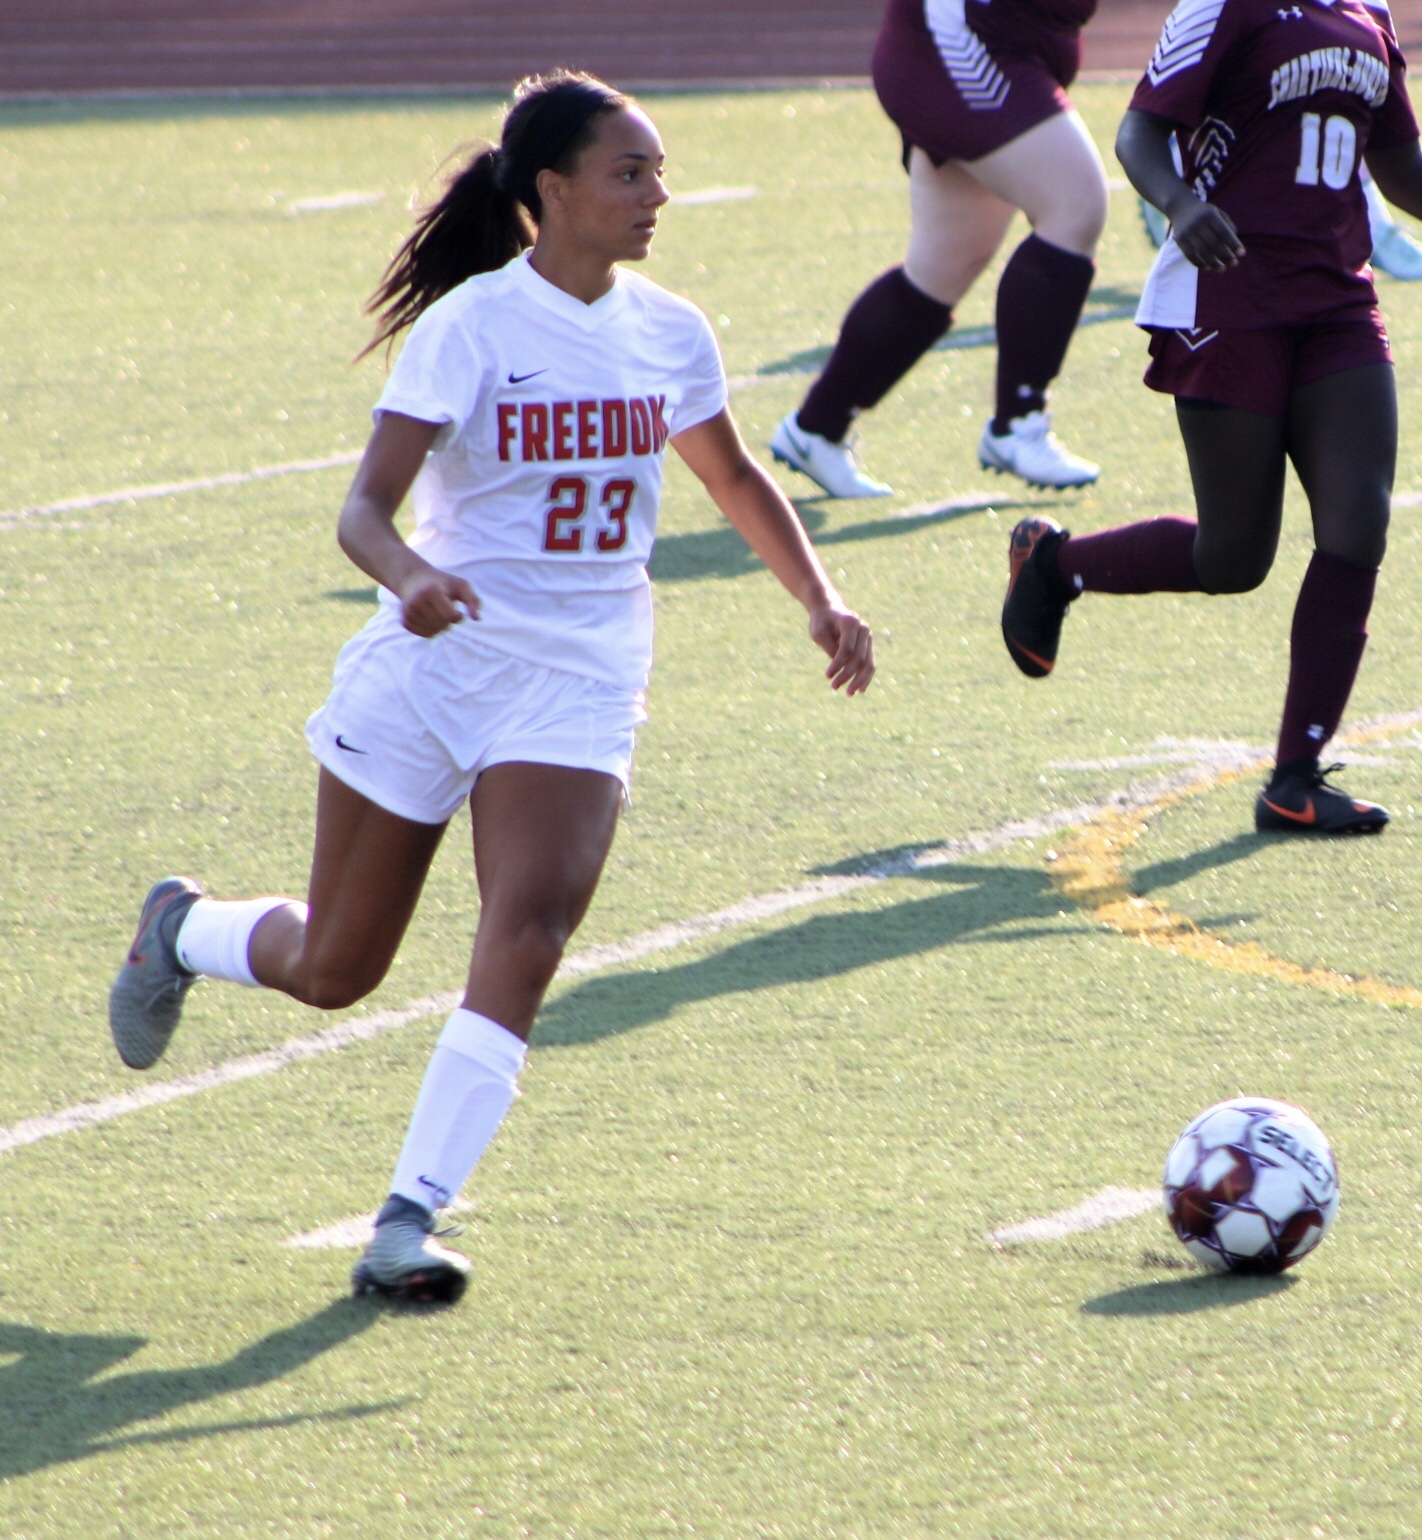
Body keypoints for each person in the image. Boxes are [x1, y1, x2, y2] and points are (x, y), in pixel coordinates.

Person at [108, 71, 875, 1305]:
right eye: (631, 173)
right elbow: (363, 509)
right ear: (551, 192)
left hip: (579, 679)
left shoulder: (670, 329)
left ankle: (406, 1220)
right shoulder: (469, 326)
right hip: (433, 666)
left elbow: (734, 479)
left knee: (525, 935)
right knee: (335, 968)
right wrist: (410, 575)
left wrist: (819, 597)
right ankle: (183, 929)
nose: (657, 195)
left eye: (661, 171)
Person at [1000, 0, 1422, 833]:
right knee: (1233, 557)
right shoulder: (1226, 4)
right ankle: (1055, 566)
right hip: (1229, 293)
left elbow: (1399, 160)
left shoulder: (1369, 12)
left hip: (1338, 302)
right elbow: (1140, 133)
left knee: (1359, 521)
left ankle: (1295, 777)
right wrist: (1178, 206)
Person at [769, 0, 1109, 499]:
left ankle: (817, 428)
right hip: (960, 35)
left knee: (948, 260)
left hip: (1022, 37)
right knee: (1075, 203)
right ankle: (1019, 421)